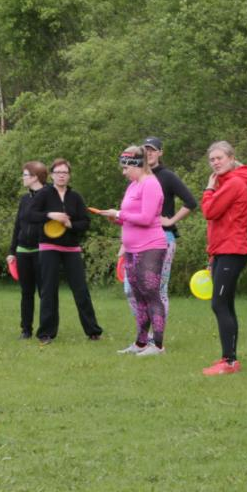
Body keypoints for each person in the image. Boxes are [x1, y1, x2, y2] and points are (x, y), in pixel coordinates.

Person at [123, 136, 198, 331]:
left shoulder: (167, 176)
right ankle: (143, 335)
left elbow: (191, 202)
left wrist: (171, 220)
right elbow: (131, 212)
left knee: (156, 289)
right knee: (132, 290)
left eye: (153, 149)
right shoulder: (135, 178)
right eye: (146, 149)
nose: (149, 153)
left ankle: (156, 338)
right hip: (136, 240)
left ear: (160, 153)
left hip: (162, 238)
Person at [100, 147, 168, 356]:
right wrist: (116, 217)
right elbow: (130, 215)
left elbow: (147, 218)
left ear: (137, 164)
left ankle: (157, 345)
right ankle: (140, 343)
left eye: (126, 167)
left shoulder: (151, 184)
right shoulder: (133, 185)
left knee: (151, 294)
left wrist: (120, 213)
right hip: (131, 248)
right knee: (138, 296)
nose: (124, 172)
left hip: (150, 247)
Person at [29, 158, 103, 343]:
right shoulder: (44, 194)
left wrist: (70, 224)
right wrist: (50, 214)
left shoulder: (76, 197)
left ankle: (93, 331)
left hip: (71, 248)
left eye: (65, 172)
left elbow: (85, 222)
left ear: (69, 175)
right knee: (49, 290)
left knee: (81, 290)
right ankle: (46, 333)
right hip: (48, 247)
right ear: (52, 175)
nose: (61, 175)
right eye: (58, 172)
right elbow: (29, 215)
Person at [200, 141, 247, 375]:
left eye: (219, 158)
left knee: (219, 304)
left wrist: (208, 190)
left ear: (232, 158)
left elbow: (209, 212)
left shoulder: (233, 183)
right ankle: (230, 359)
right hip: (223, 250)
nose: (215, 162)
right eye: (212, 159)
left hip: (232, 251)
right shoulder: (230, 182)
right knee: (226, 305)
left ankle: (229, 361)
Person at [7, 161, 46, 339]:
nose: (22, 178)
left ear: (35, 177)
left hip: (41, 250)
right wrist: (11, 251)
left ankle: (45, 330)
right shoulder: (24, 199)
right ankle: (26, 329)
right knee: (26, 293)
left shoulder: (48, 196)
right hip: (22, 251)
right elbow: (17, 226)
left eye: (25, 175)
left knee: (44, 292)